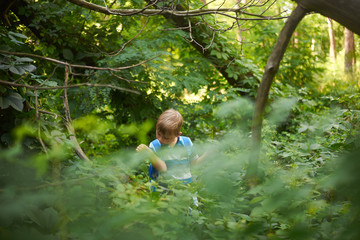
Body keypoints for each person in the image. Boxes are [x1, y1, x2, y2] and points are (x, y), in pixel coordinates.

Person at [136, 109, 204, 185]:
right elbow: (163, 168)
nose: (160, 139)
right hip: (163, 190)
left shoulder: (186, 142)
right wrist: (150, 154)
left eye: (166, 138)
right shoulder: (155, 145)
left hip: (186, 188)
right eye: (158, 134)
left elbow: (194, 163)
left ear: (177, 134)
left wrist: (209, 154)